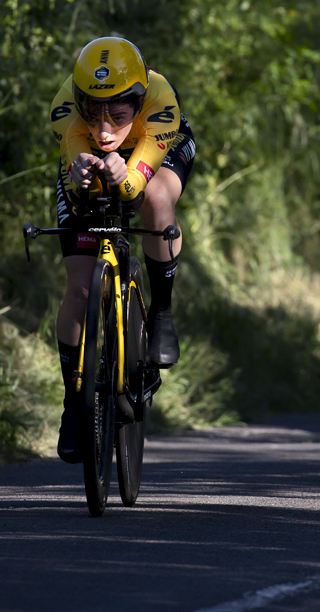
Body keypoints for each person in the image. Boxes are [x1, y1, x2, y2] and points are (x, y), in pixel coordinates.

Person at [48, 36, 195, 463]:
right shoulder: (64, 111)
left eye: (117, 112)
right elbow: (78, 157)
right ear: (78, 101)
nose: (105, 127)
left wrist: (125, 175)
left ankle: (162, 313)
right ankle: (73, 404)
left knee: (155, 200)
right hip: (92, 166)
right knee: (78, 290)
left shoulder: (160, 101)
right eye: (92, 113)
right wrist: (83, 170)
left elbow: (132, 187)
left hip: (156, 149)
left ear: (138, 99)